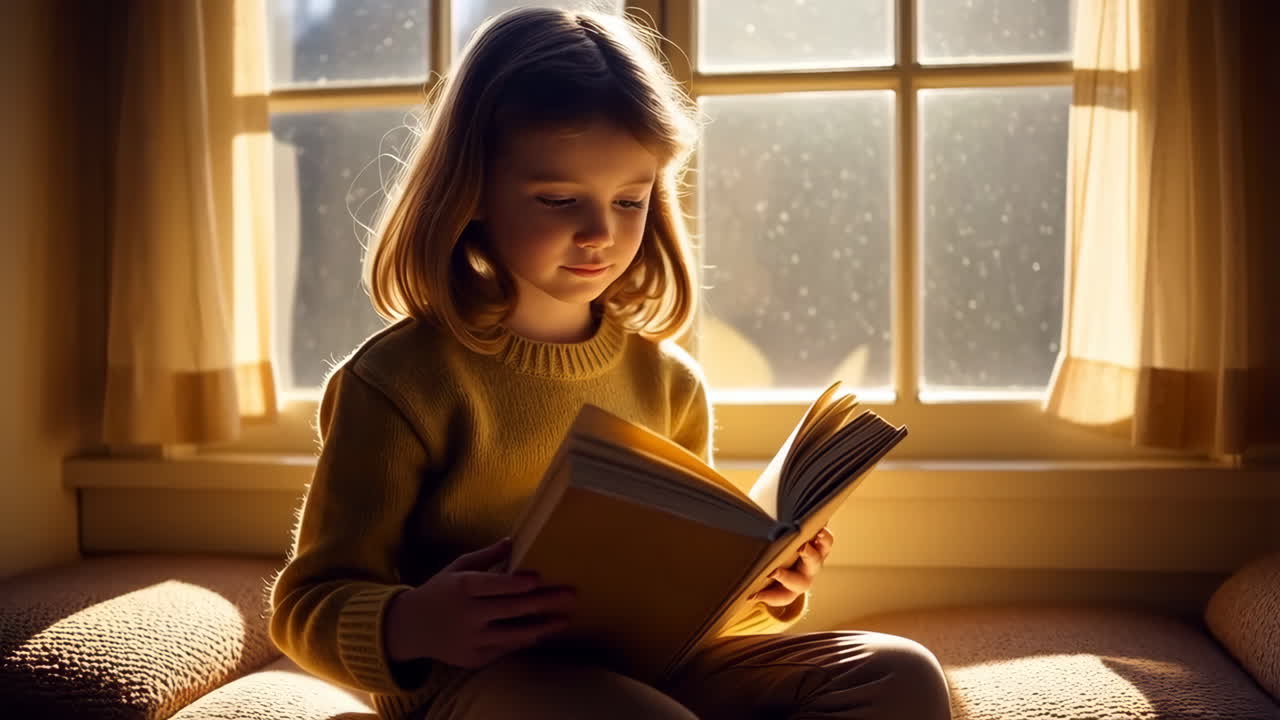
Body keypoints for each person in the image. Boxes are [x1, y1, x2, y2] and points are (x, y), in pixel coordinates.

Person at [267, 7, 952, 720]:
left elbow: (675, 590)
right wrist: (414, 620)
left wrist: (760, 589)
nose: (601, 232)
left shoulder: (669, 382)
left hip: (647, 670)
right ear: (472, 191)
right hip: (474, 683)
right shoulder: (400, 383)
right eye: (560, 199)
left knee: (899, 675)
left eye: (631, 199)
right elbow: (306, 605)